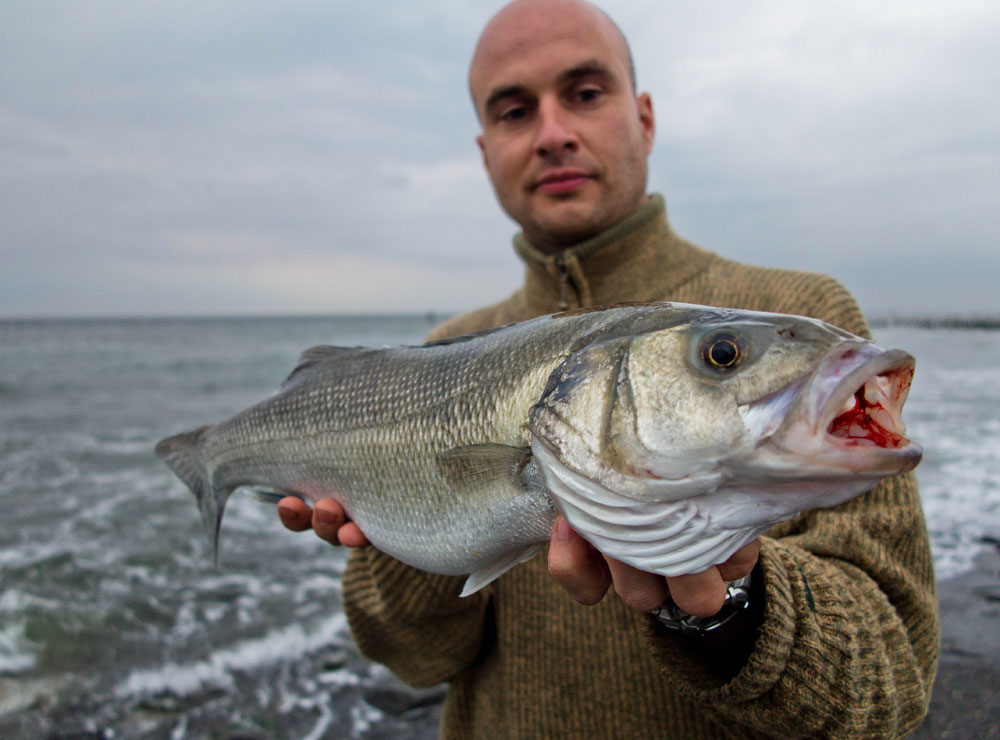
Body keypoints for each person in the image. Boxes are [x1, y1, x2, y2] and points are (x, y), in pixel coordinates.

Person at [278, 1, 939, 737]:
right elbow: (414, 658)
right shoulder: (442, 352)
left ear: (645, 117)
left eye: (586, 94)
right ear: (485, 150)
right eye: (514, 110)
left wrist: (732, 611)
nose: (553, 132)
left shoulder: (800, 313)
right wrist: (400, 523)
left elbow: (894, 682)